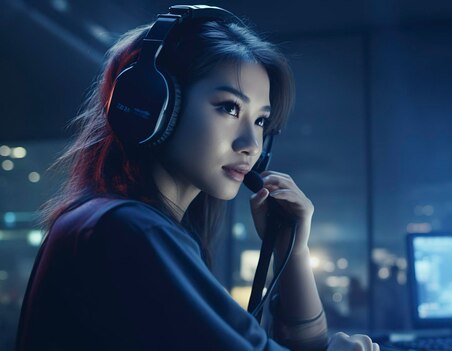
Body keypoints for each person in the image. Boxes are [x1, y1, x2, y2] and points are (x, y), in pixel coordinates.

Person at [14, 4, 379, 351]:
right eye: (228, 107)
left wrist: (292, 250)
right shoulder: (129, 230)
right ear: (153, 103)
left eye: (261, 121)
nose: (251, 144)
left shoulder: (127, 224)